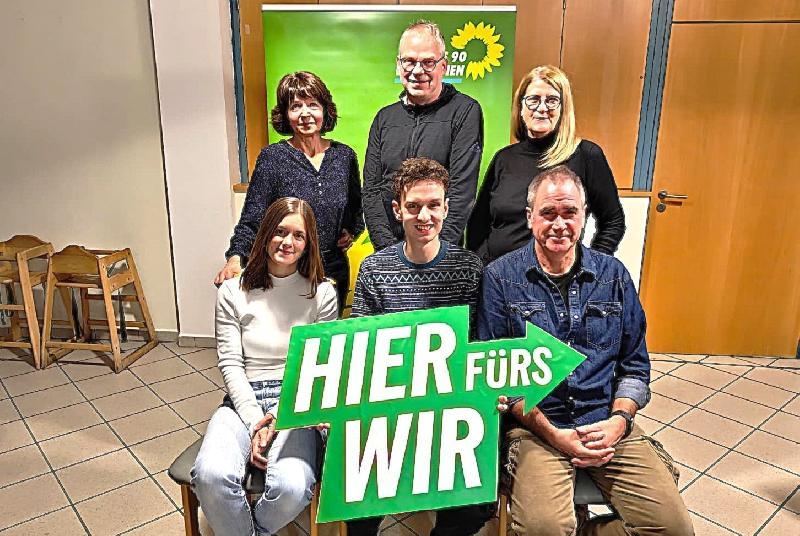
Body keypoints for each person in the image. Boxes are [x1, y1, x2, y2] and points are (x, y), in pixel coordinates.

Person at [478, 167, 692, 535]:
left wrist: (619, 420)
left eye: (569, 213)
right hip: (537, 427)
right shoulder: (499, 278)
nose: (559, 224)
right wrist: (554, 434)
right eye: (548, 213)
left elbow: (635, 367)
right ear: (530, 217)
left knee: (673, 530)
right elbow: (499, 379)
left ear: (584, 216)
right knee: (544, 529)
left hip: (605, 422)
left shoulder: (614, 276)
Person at [348, 157, 491, 535]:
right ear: (398, 211)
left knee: (475, 502)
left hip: (450, 406)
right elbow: (361, 348)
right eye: (413, 207)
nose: (423, 216)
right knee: (356, 491)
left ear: (447, 207)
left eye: (433, 205)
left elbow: (478, 344)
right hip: (390, 405)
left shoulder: (469, 268)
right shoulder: (374, 269)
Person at [193, 198, 338, 536]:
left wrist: (277, 417)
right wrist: (255, 420)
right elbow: (230, 363)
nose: (288, 242)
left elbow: (318, 369)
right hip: (242, 398)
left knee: (293, 486)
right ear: (265, 235)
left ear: (308, 243)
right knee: (210, 475)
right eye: (280, 231)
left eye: (298, 236)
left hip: (296, 403)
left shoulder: (323, 294)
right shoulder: (233, 291)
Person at [216, 71, 364, 313]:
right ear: (285, 114)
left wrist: (351, 231)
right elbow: (253, 218)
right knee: (289, 340)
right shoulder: (272, 158)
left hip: (333, 269)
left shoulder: (344, 156)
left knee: (326, 341)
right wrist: (235, 257)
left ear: (325, 110)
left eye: (313, 105)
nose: (305, 114)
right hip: (288, 269)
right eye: (296, 106)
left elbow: (356, 208)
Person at [467, 65, 625, 264]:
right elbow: (478, 225)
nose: (542, 108)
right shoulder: (504, 158)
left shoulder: (586, 155)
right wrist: (483, 265)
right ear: (521, 107)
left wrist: (592, 265)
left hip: (554, 282)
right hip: (499, 280)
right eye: (533, 100)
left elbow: (613, 221)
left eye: (552, 101)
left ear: (563, 108)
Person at [363, 20, 483, 252]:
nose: (418, 71)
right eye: (409, 61)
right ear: (398, 66)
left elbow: (461, 192)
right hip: (390, 254)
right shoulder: (384, 119)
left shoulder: (465, 111)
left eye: (428, 62)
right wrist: (389, 253)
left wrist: (436, 253)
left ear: (443, 66)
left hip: (440, 257)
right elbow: (371, 190)